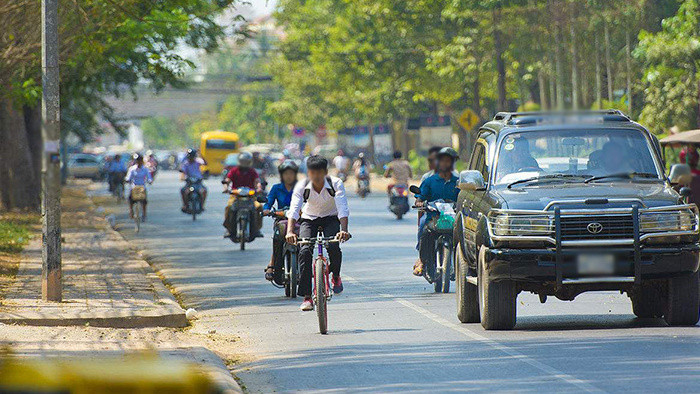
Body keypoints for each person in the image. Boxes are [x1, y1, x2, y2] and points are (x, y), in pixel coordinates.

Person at [286, 155, 351, 311]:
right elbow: (294, 209)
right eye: (312, 173)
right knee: (305, 250)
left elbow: (342, 207)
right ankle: (307, 296)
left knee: (333, 246)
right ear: (308, 173)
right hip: (309, 219)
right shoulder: (301, 185)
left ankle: (335, 275)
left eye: (319, 173)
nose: (316, 177)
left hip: (330, 218)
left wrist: (344, 231)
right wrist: (289, 231)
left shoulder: (335, 183)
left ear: (326, 172)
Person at [413, 147, 459, 276]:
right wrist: (419, 202)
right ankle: (423, 261)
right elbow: (420, 197)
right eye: (442, 161)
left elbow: (464, 197)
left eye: (448, 161)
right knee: (425, 234)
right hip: (433, 218)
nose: (445, 164)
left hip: (452, 219)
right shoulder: (429, 180)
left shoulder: (458, 181)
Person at [263, 160, 299, 283]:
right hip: (281, 220)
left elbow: (310, 201)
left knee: (306, 242)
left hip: (299, 221)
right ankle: (272, 264)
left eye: (291, 173)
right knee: (278, 239)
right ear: (282, 175)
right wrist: (266, 210)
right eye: (286, 173)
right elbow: (268, 202)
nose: (288, 176)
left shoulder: (301, 187)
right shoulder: (276, 188)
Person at [222, 152, 264, 238]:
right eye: (243, 162)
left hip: (251, 196)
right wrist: (226, 187)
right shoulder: (234, 171)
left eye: (246, 162)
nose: (244, 164)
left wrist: (259, 188)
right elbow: (228, 180)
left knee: (259, 207)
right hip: (235, 196)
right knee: (229, 207)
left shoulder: (252, 171)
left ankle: (257, 229)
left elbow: (257, 181)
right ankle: (228, 228)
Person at [125, 153, 153, 220]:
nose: (139, 162)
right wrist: (127, 180)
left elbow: (149, 177)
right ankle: (131, 211)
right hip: (134, 187)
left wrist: (149, 181)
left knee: (144, 201)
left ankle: (144, 214)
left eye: (140, 160)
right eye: (137, 160)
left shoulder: (145, 169)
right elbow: (128, 177)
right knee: (130, 199)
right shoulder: (132, 169)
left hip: (142, 187)